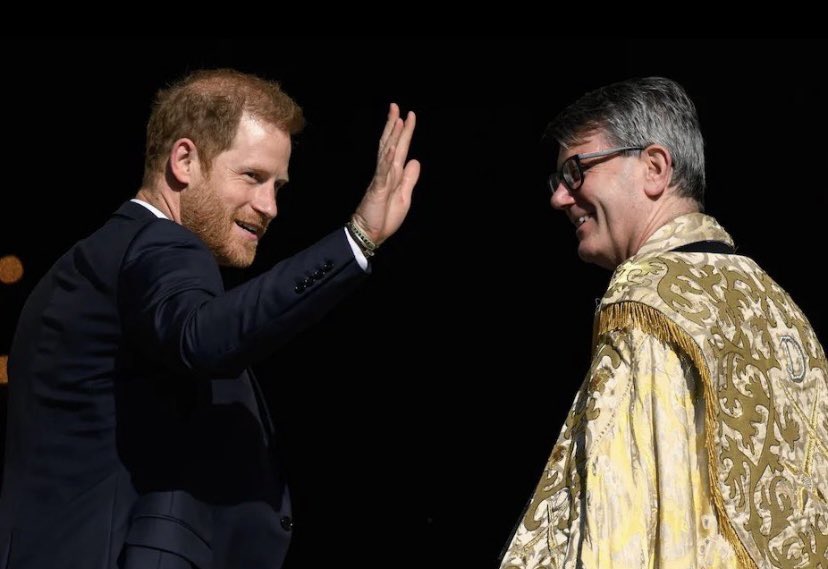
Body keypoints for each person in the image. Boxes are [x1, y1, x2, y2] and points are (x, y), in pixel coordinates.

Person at [0, 68, 420, 569]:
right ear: (184, 160)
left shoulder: (85, 265)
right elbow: (202, 336)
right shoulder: (157, 243)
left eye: (278, 186)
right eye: (252, 177)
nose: (270, 207)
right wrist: (358, 238)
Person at [499, 77, 828, 568]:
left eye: (576, 171)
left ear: (653, 168)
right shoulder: (782, 310)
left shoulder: (646, 297)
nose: (560, 198)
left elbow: (618, 518)